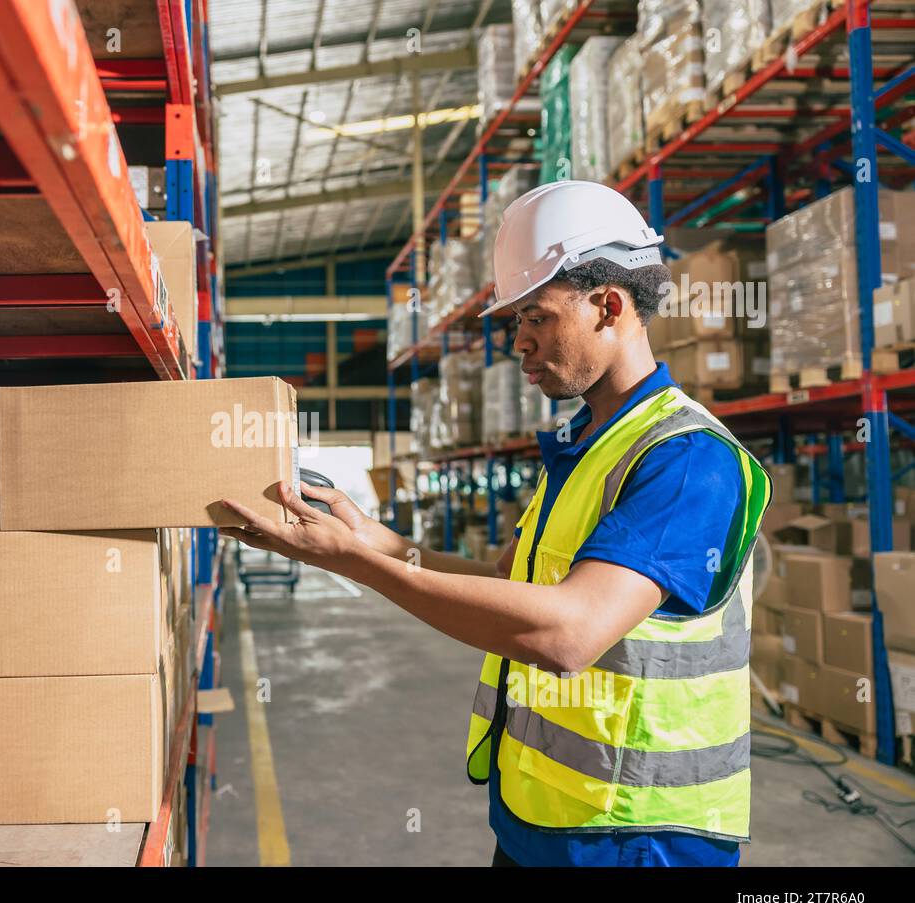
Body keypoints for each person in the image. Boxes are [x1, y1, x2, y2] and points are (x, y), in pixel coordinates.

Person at [220, 180, 771, 868]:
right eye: (517, 323)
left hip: (636, 836)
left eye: (536, 318)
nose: (521, 344)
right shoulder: (587, 445)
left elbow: (568, 632)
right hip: (541, 818)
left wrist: (354, 565)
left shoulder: (688, 461)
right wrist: (377, 541)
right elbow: (507, 580)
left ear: (608, 306)